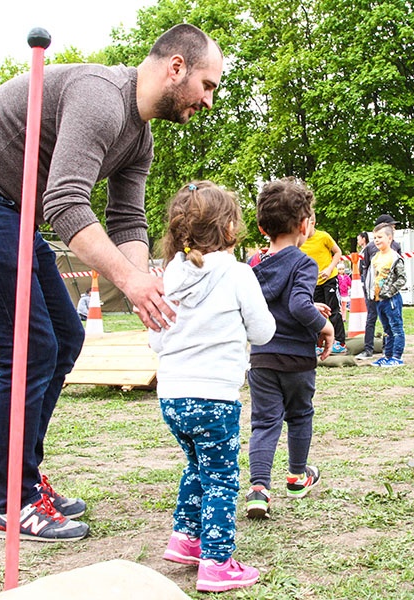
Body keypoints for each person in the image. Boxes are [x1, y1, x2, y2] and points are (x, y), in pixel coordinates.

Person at [0, 24, 224, 542]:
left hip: (10, 209)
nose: (209, 101)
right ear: (176, 67)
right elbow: (65, 203)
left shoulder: (139, 137)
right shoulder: (100, 98)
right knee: (30, 346)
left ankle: (26, 481)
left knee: (66, 336)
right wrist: (127, 279)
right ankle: (11, 504)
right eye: (208, 85)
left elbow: (127, 221)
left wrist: (146, 282)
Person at [150, 181, 274, 593]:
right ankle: (217, 562)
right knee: (221, 476)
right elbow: (262, 332)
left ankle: (185, 539)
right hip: (214, 397)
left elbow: (157, 337)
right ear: (229, 229)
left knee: (196, 466)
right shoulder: (238, 274)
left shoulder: (169, 276)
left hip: (171, 394)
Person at [245, 177, 334, 520]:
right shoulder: (303, 261)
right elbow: (297, 305)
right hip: (297, 358)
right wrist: (322, 325)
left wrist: (312, 307)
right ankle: (297, 476)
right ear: (304, 225)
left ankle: (258, 489)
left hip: (263, 357)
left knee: (265, 422)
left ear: (262, 226)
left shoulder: (254, 265)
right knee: (299, 415)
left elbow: (271, 305)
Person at [355, 215, 402, 360]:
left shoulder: (395, 247)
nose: (393, 228)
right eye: (390, 225)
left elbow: (399, 273)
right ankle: (368, 348)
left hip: (390, 295)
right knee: (372, 318)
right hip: (373, 292)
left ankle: (392, 353)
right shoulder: (370, 248)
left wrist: (390, 290)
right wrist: (369, 290)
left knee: (393, 324)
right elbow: (366, 270)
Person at [300, 213, 346, 354]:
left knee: (333, 311)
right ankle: (318, 343)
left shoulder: (323, 236)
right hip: (312, 283)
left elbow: (338, 252)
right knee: (316, 313)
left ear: (312, 223)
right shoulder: (299, 241)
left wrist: (329, 268)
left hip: (329, 279)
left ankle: (340, 342)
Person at [369, 223, 406, 367]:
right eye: (375, 238)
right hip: (378, 300)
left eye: (380, 237)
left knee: (396, 327)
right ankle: (387, 355)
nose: (377, 240)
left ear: (389, 238)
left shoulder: (394, 257)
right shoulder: (375, 257)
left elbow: (402, 278)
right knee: (386, 330)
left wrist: (389, 292)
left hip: (391, 299)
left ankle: (397, 356)